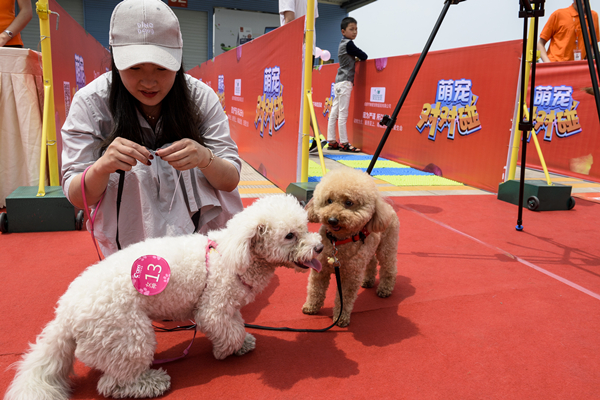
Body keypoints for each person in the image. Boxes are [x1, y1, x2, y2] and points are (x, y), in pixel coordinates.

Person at [61, 0, 243, 257]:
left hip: (205, 245)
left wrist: (205, 158)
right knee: (132, 172)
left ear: (178, 59)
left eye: (161, 67)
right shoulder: (90, 102)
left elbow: (231, 178)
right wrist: (102, 167)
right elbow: (76, 195)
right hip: (129, 244)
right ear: (115, 60)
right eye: (134, 67)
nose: (149, 81)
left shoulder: (200, 97)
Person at [326, 17, 367, 153]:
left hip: (338, 82)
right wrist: (357, 59)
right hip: (345, 83)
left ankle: (332, 141)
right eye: (351, 29)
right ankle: (344, 143)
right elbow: (364, 56)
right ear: (343, 31)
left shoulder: (342, 43)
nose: (354, 32)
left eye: (356, 29)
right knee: (342, 114)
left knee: (334, 113)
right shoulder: (349, 44)